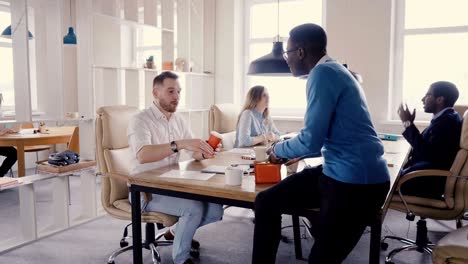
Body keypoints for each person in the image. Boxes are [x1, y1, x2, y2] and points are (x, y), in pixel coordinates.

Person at [251, 23, 390, 264]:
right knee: (266, 201)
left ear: (301, 52)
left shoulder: (322, 74)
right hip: (338, 172)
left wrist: (276, 150)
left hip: (356, 184)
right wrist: (290, 150)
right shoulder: (336, 70)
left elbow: (311, 141)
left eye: (287, 53)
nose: (286, 60)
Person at [127, 71, 224, 264]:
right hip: (145, 191)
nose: (177, 96)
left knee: (215, 209)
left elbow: (192, 151)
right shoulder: (140, 120)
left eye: (179, 91)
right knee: (194, 208)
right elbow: (143, 155)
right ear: (155, 93)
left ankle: (174, 231)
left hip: (173, 184)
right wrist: (178, 144)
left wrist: (205, 150)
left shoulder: (178, 120)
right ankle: (181, 259)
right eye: (171, 91)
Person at [397, 81, 462, 199]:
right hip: (424, 173)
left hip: (426, 181)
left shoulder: (447, 122)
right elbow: (426, 147)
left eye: (428, 95)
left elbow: (426, 153)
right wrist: (410, 124)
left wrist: (408, 124)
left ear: (439, 99)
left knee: (379, 183)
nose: (423, 99)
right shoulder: (445, 118)